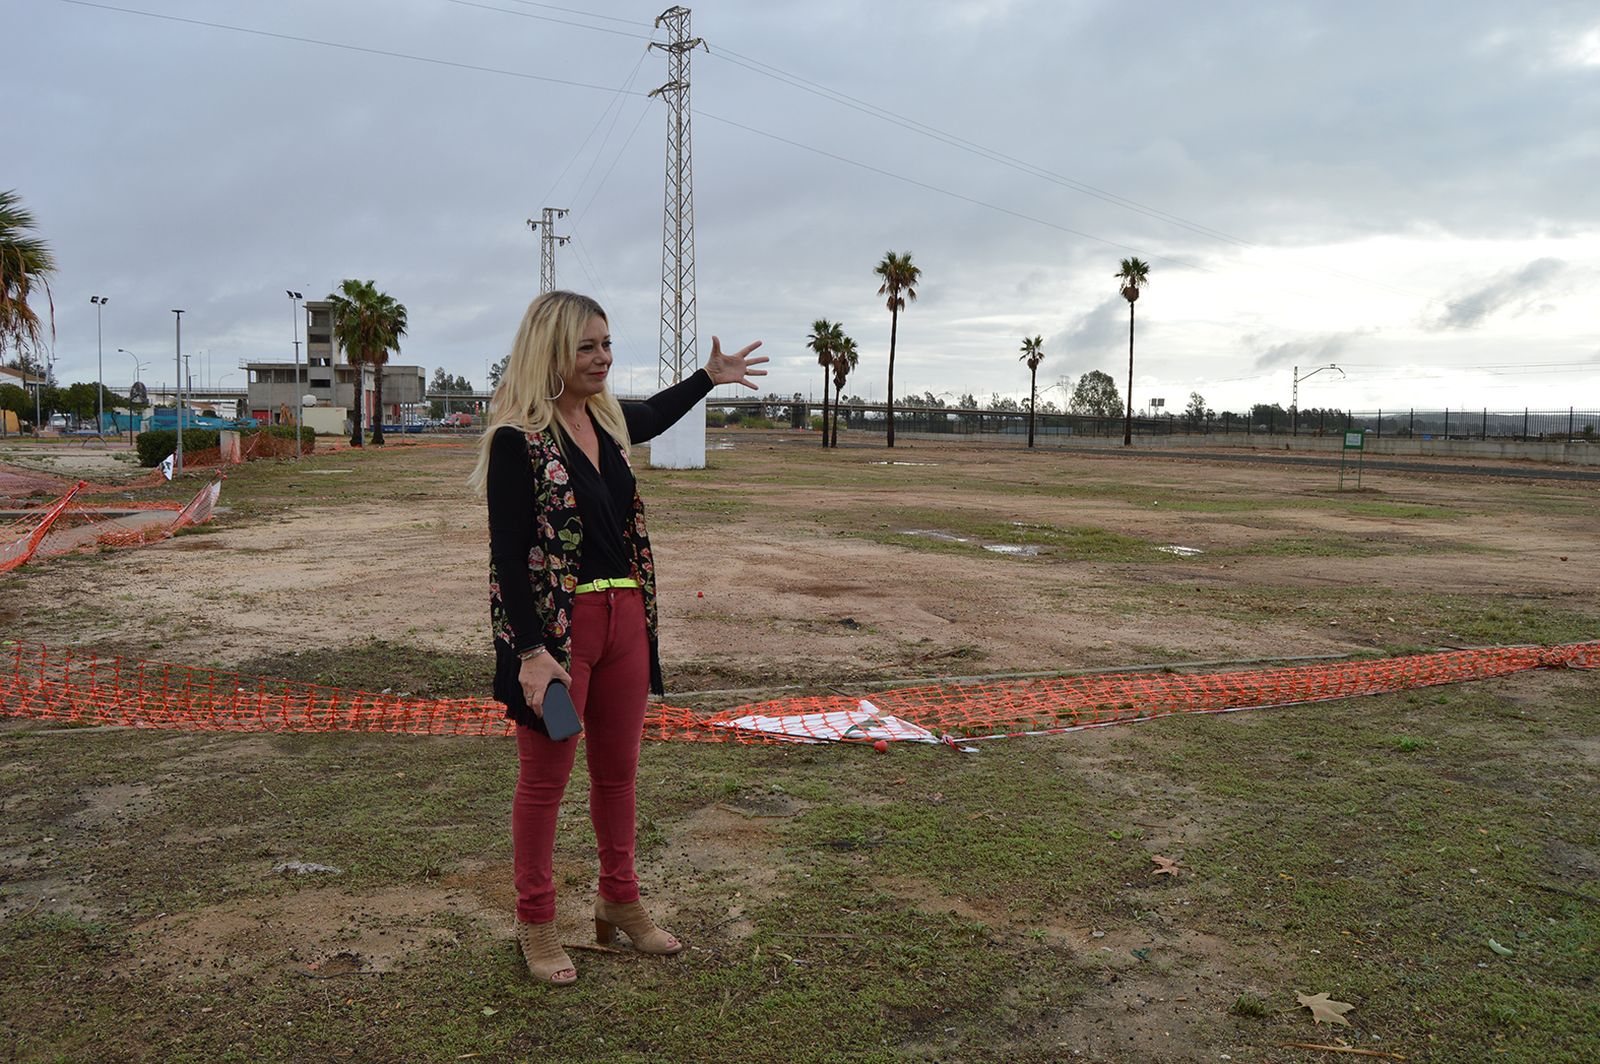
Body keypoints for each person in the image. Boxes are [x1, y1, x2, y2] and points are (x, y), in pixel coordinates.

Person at [469, 291, 765, 984]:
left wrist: (708, 377)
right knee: (544, 782)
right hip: (559, 635)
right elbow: (507, 558)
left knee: (618, 776)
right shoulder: (519, 441)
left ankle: (618, 902)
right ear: (551, 352)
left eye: (606, 344)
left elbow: (658, 412)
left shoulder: (608, 423)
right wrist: (532, 654)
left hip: (626, 619)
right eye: (586, 346)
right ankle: (536, 922)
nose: (602, 358)